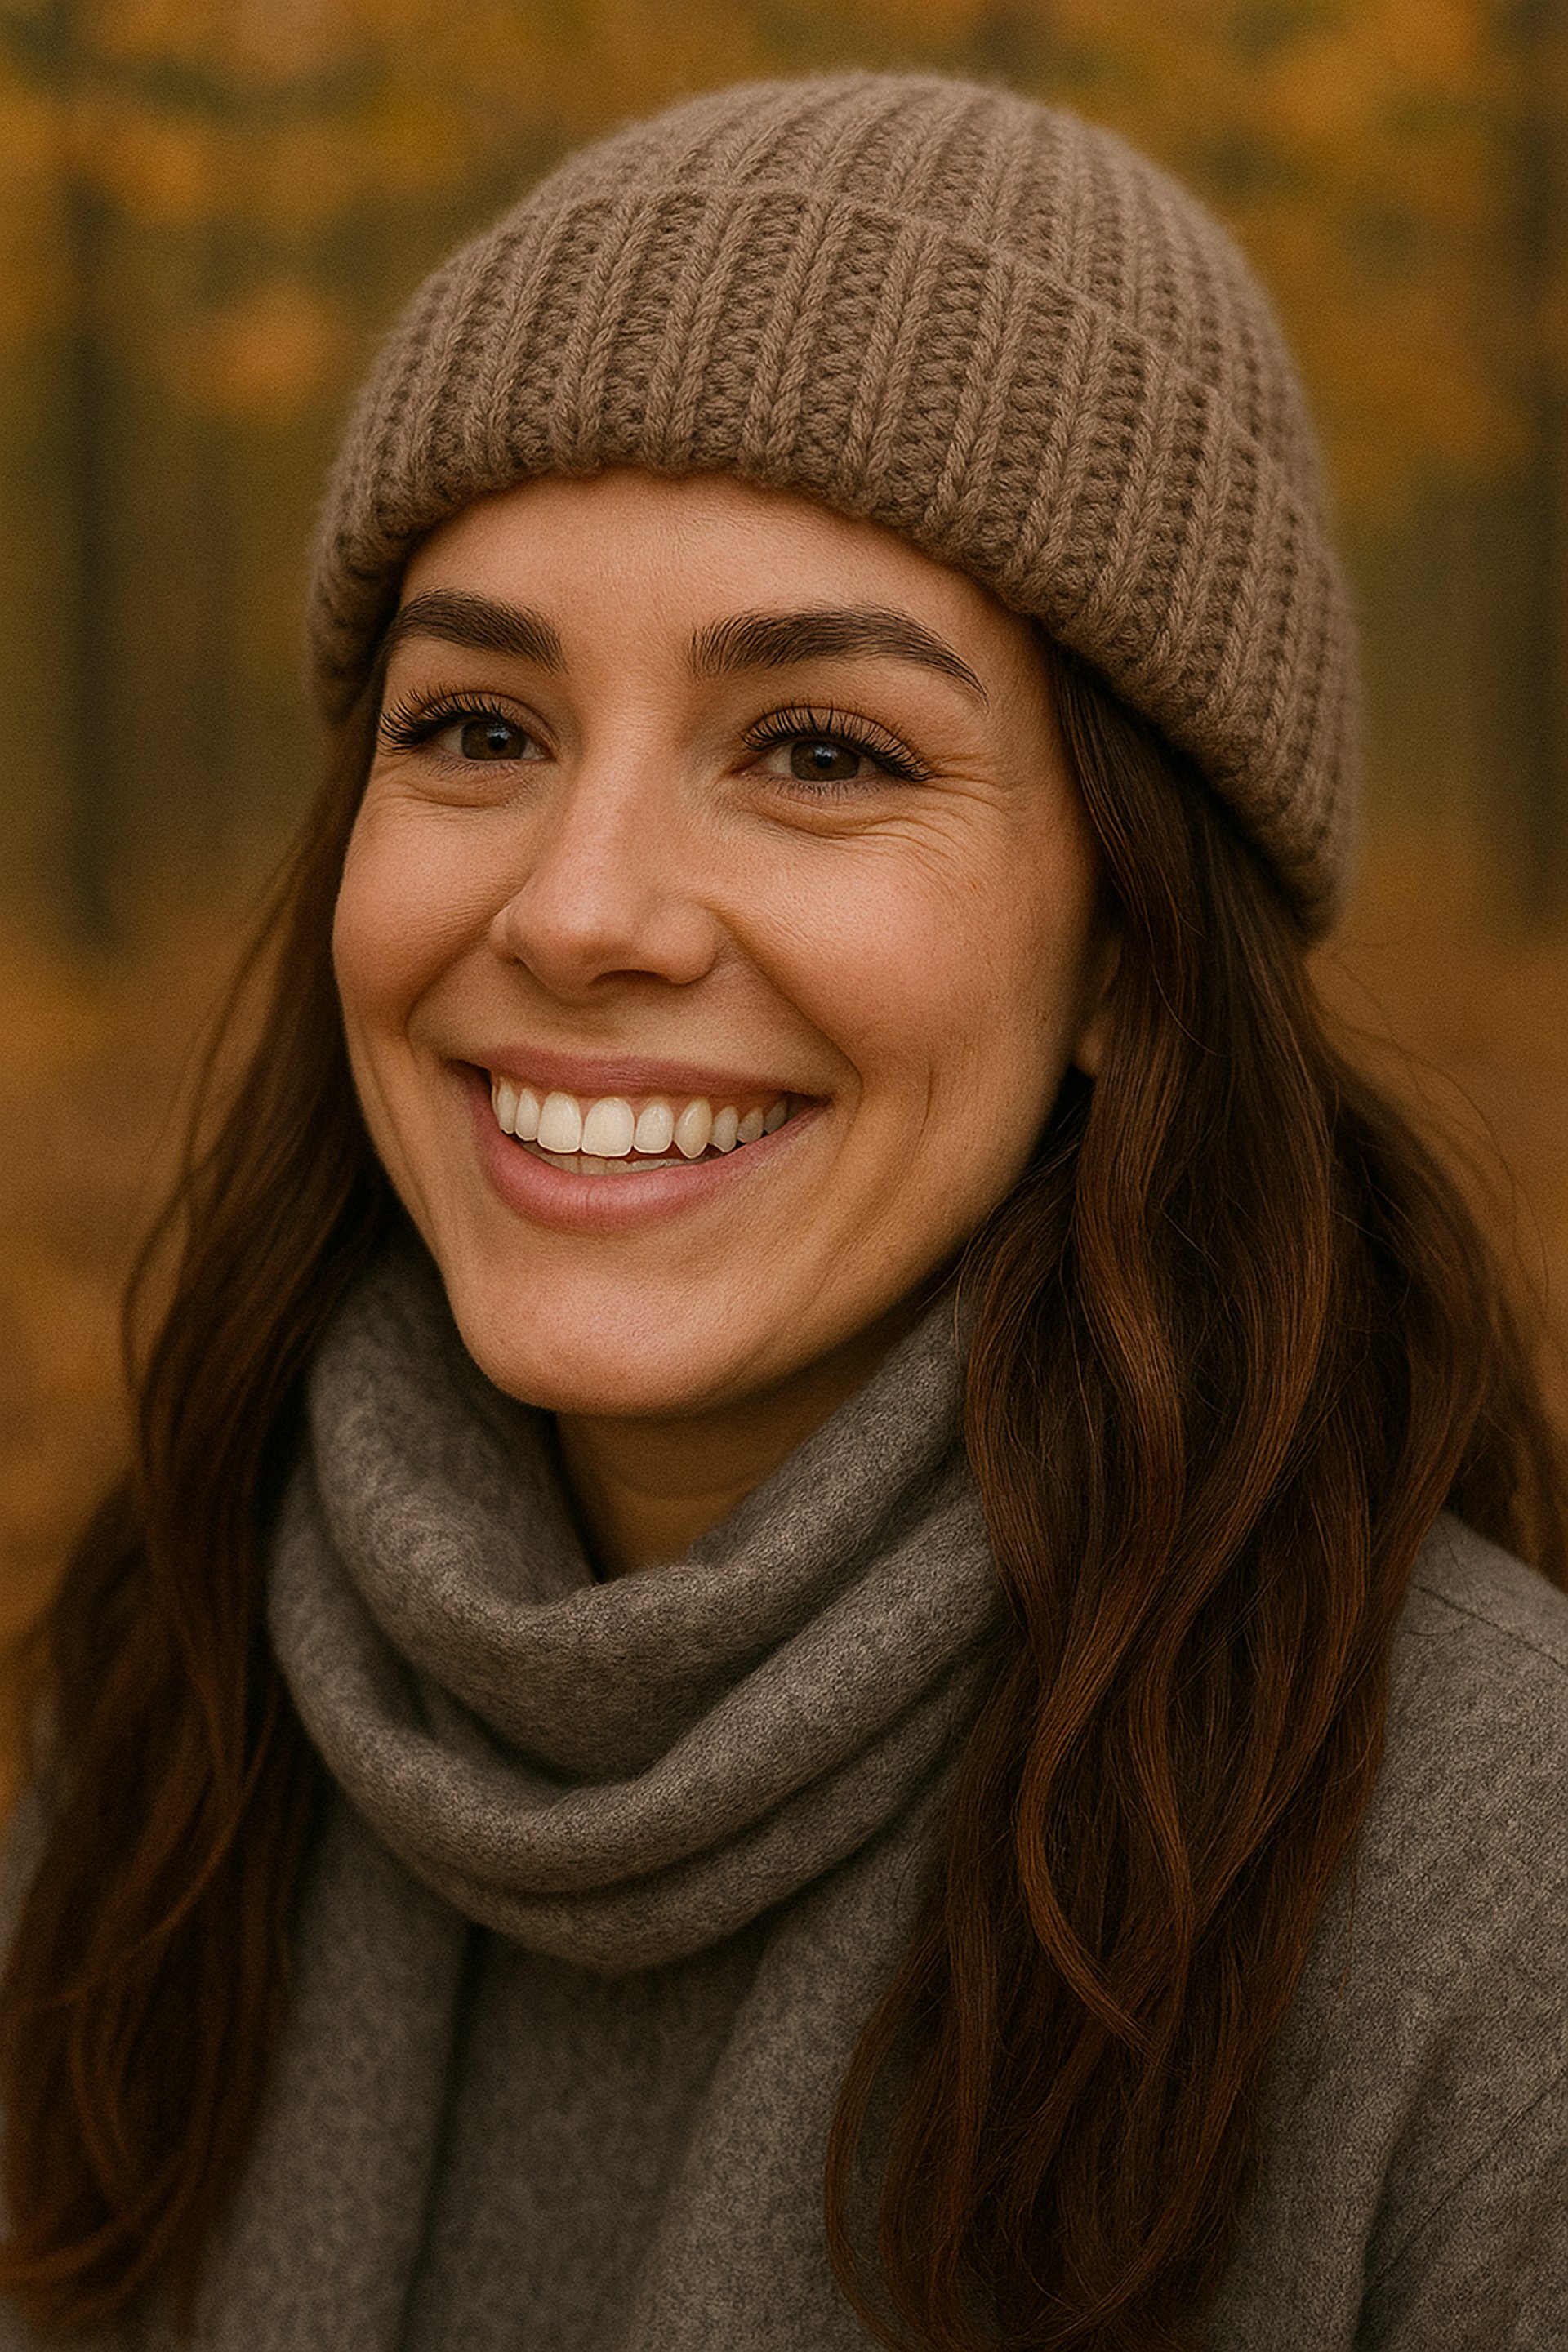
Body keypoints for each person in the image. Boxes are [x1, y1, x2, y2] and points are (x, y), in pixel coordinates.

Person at [0, 69, 1564, 2352]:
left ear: (1132, 950)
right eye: (478, 729)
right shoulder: (164, 1715)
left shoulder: (1506, 1911)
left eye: (822, 751)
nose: (581, 908)